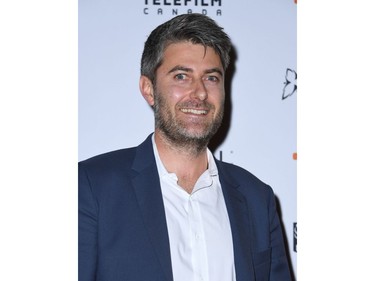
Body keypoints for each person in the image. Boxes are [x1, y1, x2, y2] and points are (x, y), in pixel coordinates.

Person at [79, 13, 292, 281]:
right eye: (181, 76)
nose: (200, 92)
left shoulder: (256, 199)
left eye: (211, 78)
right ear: (148, 89)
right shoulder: (91, 187)